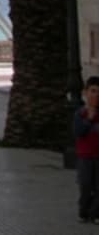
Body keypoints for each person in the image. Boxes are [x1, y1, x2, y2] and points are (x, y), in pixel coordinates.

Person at [76, 76, 99, 223]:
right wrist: (89, 119)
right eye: (93, 91)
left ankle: (96, 213)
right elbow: (78, 132)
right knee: (85, 185)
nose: (96, 95)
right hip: (85, 157)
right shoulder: (80, 113)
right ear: (86, 93)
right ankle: (84, 210)